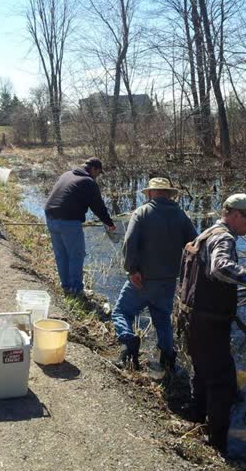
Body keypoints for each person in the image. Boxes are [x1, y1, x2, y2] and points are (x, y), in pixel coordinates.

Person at [178, 193, 246, 454]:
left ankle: (196, 420)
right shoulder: (223, 237)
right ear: (235, 215)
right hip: (208, 322)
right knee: (223, 383)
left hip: (191, 317)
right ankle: (218, 445)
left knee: (201, 371)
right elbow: (220, 268)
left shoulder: (207, 232)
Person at [112, 177, 197, 371]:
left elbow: (129, 244)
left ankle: (129, 343)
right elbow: (194, 245)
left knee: (121, 312)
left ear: (150, 193)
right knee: (162, 319)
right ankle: (168, 358)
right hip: (167, 281)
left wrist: (132, 270)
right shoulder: (181, 215)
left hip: (143, 278)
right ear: (168, 194)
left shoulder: (142, 212)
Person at [44, 157, 116, 296]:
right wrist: (109, 223)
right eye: (98, 173)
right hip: (68, 220)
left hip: (50, 214)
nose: (98, 176)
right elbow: (98, 207)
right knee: (76, 255)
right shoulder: (88, 182)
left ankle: (66, 286)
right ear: (93, 169)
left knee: (61, 254)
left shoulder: (67, 174)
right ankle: (77, 290)